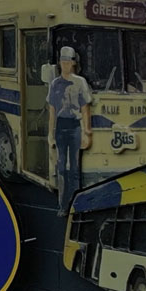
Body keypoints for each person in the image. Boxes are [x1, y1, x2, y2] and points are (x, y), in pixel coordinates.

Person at [47, 45, 92, 193]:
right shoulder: (55, 84)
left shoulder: (80, 82)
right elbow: (52, 110)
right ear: (59, 63)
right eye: (63, 61)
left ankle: (75, 199)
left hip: (75, 126)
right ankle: (63, 202)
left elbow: (85, 109)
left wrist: (86, 133)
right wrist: (50, 134)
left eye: (68, 62)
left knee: (74, 166)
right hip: (60, 126)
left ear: (73, 63)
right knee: (61, 165)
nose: (65, 64)